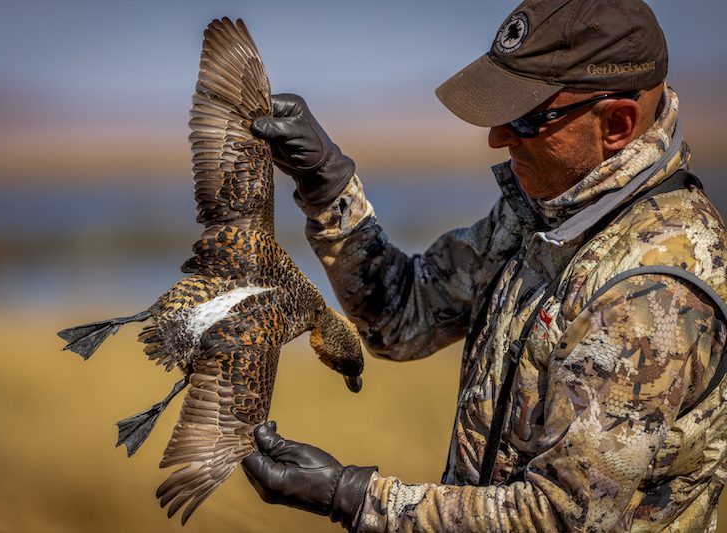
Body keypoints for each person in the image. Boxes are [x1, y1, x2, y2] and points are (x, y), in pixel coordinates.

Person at [242, 0, 727, 530]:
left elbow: (556, 519)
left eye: (524, 118)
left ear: (616, 124)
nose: (496, 138)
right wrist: (326, 185)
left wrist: (354, 498)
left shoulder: (654, 292)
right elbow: (403, 315)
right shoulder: (544, 209)